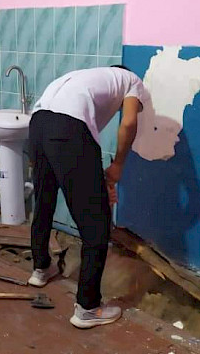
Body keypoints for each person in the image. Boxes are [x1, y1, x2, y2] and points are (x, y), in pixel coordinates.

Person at [27, 65, 148, 329]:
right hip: (66, 130)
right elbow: (129, 122)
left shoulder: (86, 78)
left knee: (44, 200)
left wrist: (98, 183)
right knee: (96, 225)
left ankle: (41, 268)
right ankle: (88, 308)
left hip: (37, 125)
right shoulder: (131, 80)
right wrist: (118, 166)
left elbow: (77, 157)